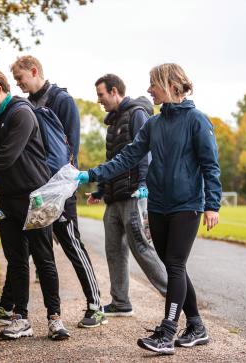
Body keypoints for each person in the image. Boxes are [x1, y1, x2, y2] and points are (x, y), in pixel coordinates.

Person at [77, 63, 221, 355]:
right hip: (158, 205)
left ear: (170, 85)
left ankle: (167, 333)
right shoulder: (153, 124)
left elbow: (210, 165)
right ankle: (196, 325)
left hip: (187, 205)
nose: (148, 89)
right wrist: (93, 174)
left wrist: (212, 205)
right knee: (172, 265)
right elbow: (128, 156)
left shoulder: (197, 121)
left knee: (176, 264)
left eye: (153, 84)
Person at [0, 55, 105, 328]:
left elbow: (69, 149)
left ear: (34, 72)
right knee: (19, 253)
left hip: (56, 188)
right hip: (28, 191)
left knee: (70, 245)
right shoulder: (20, 107)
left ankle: (95, 305)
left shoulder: (61, 101)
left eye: (21, 79)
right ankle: (9, 306)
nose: (19, 85)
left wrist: (62, 189)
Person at [0, 68, 70, 341]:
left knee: (44, 259)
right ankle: (21, 319)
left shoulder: (22, 113)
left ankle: (55, 318)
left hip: (35, 198)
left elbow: (7, 155)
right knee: (16, 261)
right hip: (9, 200)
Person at [87, 74, 167, 318]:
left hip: (133, 193)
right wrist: (100, 190)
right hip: (114, 196)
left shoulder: (137, 114)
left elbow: (145, 154)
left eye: (101, 94)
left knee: (141, 247)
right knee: (114, 249)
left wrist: (143, 185)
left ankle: (175, 295)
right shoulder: (113, 123)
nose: (99, 100)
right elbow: (114, 161)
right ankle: (120, 302)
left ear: (114, 91)